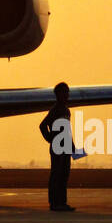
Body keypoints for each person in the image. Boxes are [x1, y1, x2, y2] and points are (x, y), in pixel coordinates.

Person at [39, 81, 75, 212]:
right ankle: (54, 203)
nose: (67, 95)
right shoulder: (55, 110)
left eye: (67, 92)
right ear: (58, 94)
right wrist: (51, 139)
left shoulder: (66, 110)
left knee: (64, 175)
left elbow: (67, 130)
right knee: (56, 175)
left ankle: (62, 202)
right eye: (64, 92)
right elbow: (43, 125)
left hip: (65, 147)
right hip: (57, 148)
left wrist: (72, 146)